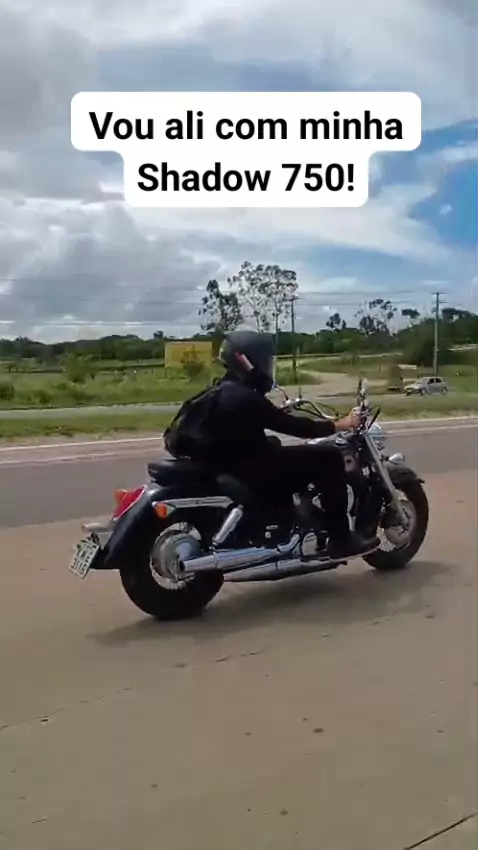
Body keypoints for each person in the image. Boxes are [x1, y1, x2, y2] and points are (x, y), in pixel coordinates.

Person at [168, 330, 379, 559]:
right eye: (265, 360)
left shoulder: (218, 391)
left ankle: (292, 517)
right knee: (329, 457)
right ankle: (341, 540)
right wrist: (340, 424)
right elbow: (296, 428)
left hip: (231, 465)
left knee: (274, 443)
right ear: (247, 361)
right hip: (253, 473)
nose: (268, 367)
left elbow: (256, 422)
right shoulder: (245, 398)